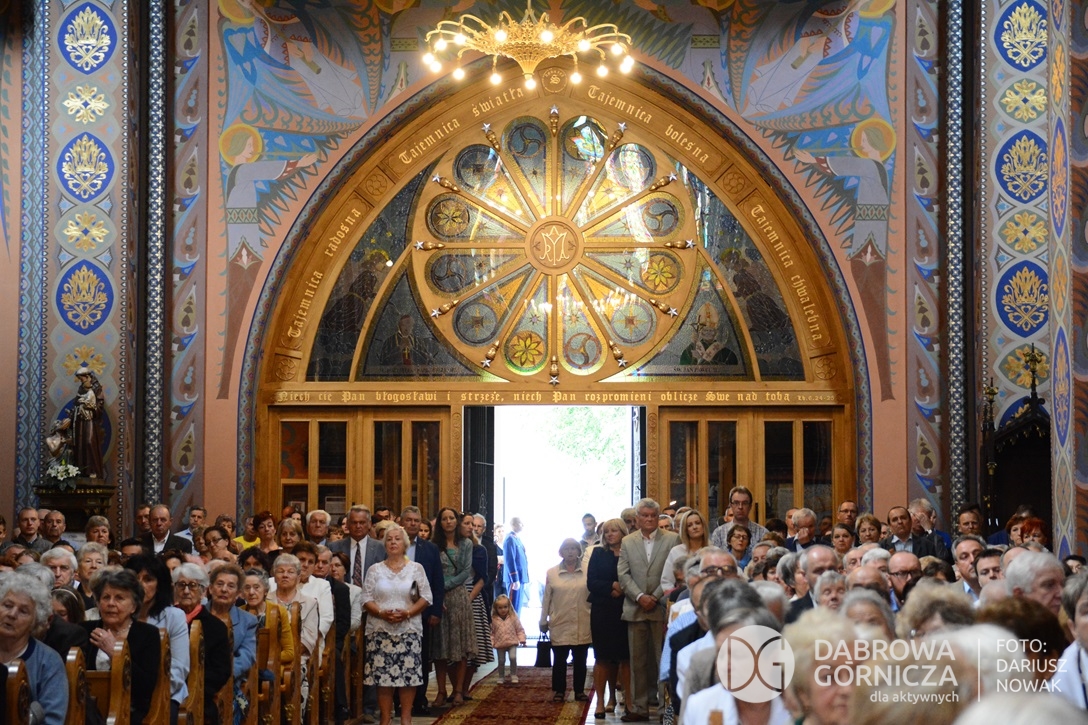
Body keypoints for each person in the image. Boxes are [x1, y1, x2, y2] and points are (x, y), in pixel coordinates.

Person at [361, 524, 433, 725]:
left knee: (408, 676)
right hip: (380, 629)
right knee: (383, 677)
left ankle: (406, 718)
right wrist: (381, 613)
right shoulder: (375, 569)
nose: (393, 542)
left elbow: (427, 597)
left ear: (405, 544)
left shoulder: (416, 568)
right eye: (389, 539)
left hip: (408, 629)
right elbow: (366, 598)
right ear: (384, 544)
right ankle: (385, 718)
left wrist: (408, 613)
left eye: (397, 539)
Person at [617, 498, 680, 722]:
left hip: (661, 606)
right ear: (637, 518)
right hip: (635, 607)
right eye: (645, 515)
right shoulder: (628, 541)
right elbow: (623, 574)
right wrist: (640, 596)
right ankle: (639, 707)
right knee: (637, 661)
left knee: (663, 659)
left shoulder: (672, 539)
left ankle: (665, 709)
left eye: (653, 515)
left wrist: (654, 596)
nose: (649, 519)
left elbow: (675, 572)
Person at [80, 567, 161, 723]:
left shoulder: (148, 634)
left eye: (119, 598)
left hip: (131, 712)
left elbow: (146, 686)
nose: (111, 603)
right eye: (105, 597)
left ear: (134, 606)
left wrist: (115, 653)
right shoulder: (84, 631)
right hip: (87, 711)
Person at [125, 553, 190, 724]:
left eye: (148, 579)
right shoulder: (119, 616)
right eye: (135, 579)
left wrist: (151, 693)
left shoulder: (174, 616)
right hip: (125, 691)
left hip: (166, 692)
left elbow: (179, 668)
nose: (140, 585)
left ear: (159, 584)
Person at [172, 563, 231, 724]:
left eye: (192, 585)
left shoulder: (215, 627)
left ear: (203, 591)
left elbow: (221, 671)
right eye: (181, 585)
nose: (186, 591)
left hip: (200, 696)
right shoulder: (165, 619)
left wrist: (191, 688)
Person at [430, 507, 475, 708]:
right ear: (440, 523)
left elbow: (465, 571)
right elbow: (431, 571)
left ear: (457, 521)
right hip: (438, 597)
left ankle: (458, 690)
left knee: (459, 646)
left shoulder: (466, 543)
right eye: (444, 519)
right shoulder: (433, 545)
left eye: (451, 518)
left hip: (458, 596)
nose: (448, 521)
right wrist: (438, 591)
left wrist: (445, 585)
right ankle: (441, 691)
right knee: (440, 646)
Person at [586, 518, 629, 718]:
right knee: (602, 656)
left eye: (614, 530)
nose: (610, 534)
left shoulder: (630, 552)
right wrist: (612, 586)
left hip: (624, 608)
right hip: (602, 609)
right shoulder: (598, 553)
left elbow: (636, 577)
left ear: (623, 532)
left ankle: (622, 699)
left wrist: (623, 589)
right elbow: (591, 582)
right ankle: (601, 702)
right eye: (607, 531)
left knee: (622, 657)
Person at [540, 538, 592, 703]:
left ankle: (579, 691)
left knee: (581, 659)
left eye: (573, 548)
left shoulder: (588, 570)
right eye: (567, 549)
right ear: (561, 552)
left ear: (579, 551)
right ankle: (559, 690)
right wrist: (543, 620)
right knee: (559, 660)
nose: (570, 552)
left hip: (582, 620)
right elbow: (546, 599)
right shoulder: (552, 573)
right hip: (560, 621)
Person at [208, 565, 259, 725]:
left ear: (238, 594)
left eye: (230, 586)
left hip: (229, 680)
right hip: (196, 679)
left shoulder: (248, 621)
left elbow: (247, 656)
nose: (224, 589)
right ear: (210, 588)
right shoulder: (197, 615)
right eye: (219, 584)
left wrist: (220, 675)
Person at [460, 513, 494, 701]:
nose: (471, 527)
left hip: (473, 596)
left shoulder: (480, 548)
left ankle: (463, 689)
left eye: (473, 524)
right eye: (467, 523)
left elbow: (484, 577)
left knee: (474, 647)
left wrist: (469, 598)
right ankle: (454, 689)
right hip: (452, 596)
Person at [662, 510, 708, 592]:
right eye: (689, 525)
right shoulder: (676, 551)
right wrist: (675, 596)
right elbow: (666, 582)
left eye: (697, 523)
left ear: (703, 526)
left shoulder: (714, 551)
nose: (694, 527)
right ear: (685, 530)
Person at [490, 594, 525, 683]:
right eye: (500, 608)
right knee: (501, 661)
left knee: (513, 657)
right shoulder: (494, 619)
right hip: (500, 644)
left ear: (509, 607)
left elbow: (519, 629)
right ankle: (501, 676)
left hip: (512, 642)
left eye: (505, 607)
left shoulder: (513, 617)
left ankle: (513, 674)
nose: (503, 610)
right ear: (496, 608)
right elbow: (491, 633)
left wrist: (522, 639)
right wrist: (491, 642)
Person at [502, 516, 530, 616]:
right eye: (520, 523)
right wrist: (514, 579)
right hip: (515, 579)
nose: (523, 525)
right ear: (514, 525)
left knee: (518, 608)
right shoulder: (510, 539)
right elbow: (510, 560)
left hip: (520, 578)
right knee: (513, 608)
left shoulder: (516, 539)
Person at [75, 542, 109, 612]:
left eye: (99, 562)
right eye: (88, 561)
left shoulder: (109, 597)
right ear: (78, 567)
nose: (94, 566)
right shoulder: (72, 596)